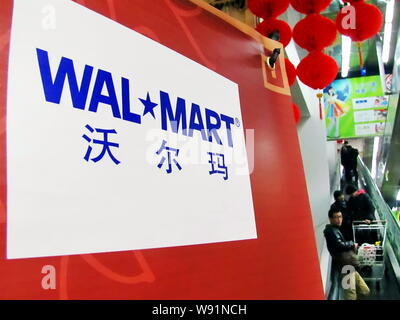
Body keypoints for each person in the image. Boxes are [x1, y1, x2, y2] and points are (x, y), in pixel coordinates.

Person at [324, 208, 370, 300]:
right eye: (336, 217)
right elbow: (339, 245)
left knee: (365, 290)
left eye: (340, 217)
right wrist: (351, 243)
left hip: (350, 266)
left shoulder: (335, 229)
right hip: (345, 268)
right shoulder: (330, 231)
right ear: (330, 219)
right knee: (350, 295)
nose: (339, 219)